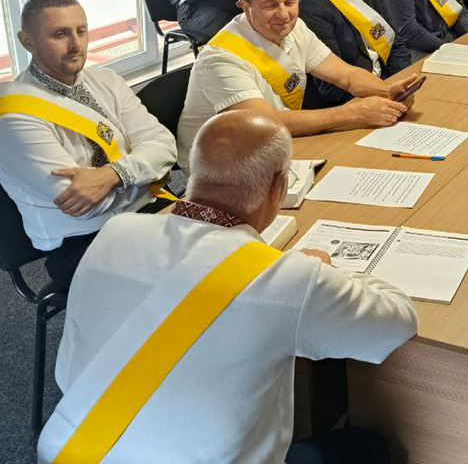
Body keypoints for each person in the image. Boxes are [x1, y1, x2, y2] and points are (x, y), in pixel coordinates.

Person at [38, 110, 417, 464]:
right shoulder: (291, 278)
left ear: (192, 170)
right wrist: (326, 270)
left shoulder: (115, 232)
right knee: (367, 447)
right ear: (279, 186)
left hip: (76, 449)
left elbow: (67, 372)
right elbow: (397, 322)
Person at [0, 0, 176, 287]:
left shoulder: (106, 80)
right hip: (84, 241)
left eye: (81, 31)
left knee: (232, 248)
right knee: (190, 283)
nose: (75, 44)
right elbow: (86, 207)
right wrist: (148, 173)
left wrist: (114, 175)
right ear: (27, 41)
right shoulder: (13, 116)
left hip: (148, 211)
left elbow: (164, 145)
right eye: (60, 34)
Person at [176, 0, 418, 169]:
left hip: (273, 145)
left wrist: (388, 92)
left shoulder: (295, 29)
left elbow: (346, 76)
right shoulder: (221, 58)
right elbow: (266, 123)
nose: (284, 14)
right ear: (245, 7)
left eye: (290, 2)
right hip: (220, 163)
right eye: (271, 5)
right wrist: (353, 114)